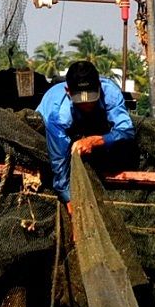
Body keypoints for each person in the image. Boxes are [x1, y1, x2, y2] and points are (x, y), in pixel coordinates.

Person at [38, 60, 135, 202]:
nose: (87, 104)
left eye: (91, 98)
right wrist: (68, 199)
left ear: (99, 87)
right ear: (68, 92)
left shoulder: (111, 93)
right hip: (52, 136)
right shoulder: (58, 113)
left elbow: (127, 131)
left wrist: (96, 141)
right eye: (81, 101)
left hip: (94, 132)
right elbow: (59, 161)